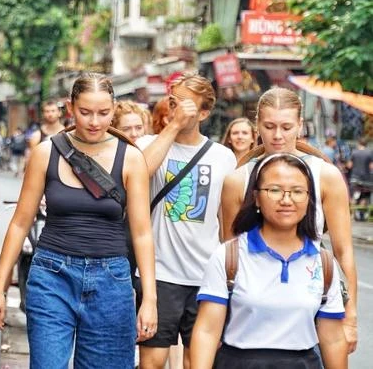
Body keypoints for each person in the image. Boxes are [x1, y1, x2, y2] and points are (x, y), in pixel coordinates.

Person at [0, 73, 157, 368]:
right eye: (85, 112)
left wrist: (150, 300)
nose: (94, 121)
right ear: (70, 107)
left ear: (114, 109)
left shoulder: (131, 159)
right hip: (52, 275)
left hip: (111, 282)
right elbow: (19, 223)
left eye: (103, 113)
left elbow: (142, 233)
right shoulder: (45, 153)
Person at [221, 87, 358, 353]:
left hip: (312, 303)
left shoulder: (325, 176)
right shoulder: (237, 181)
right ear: (257, 125)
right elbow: (229, 252)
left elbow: (344, 251)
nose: (278, 135)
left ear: (300, 126)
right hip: (252, 308)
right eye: (269, 126)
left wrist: (350, 314)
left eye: (286, 126)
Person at [191, 153, 347, 368]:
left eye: (297, 191)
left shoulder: (324, 263)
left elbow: (334, 339)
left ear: (310, 199)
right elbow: (207, 331)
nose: (286, 200)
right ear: (256, 197)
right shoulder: (229, 256)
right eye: (274, 190)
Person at [138, 72, 237, 369]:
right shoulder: (148, 143)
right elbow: (139, 175)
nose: (176, 109)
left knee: (200, 362)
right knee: (152, 362)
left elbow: (228, 223)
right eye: (172, 102)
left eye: (186, 105)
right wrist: (175, 126)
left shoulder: (223, 157)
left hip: (206, 277)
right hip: (160, 276)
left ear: (205, 112)